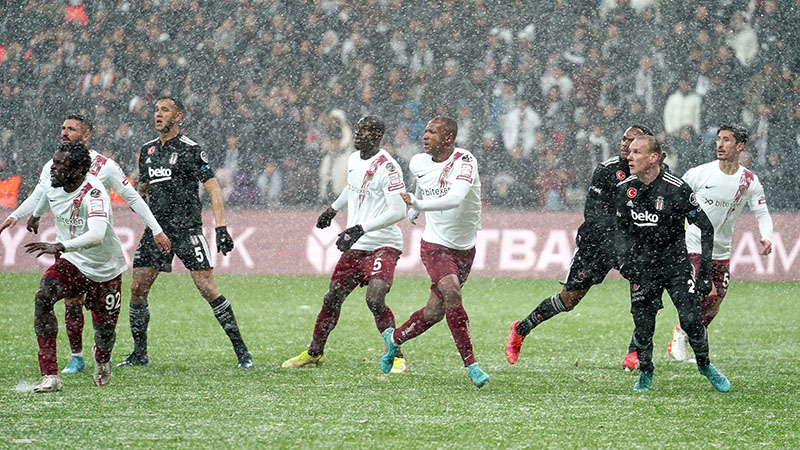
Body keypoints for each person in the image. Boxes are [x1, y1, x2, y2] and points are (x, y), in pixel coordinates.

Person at [0, 114, 170, 375]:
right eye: (63, 128)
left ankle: (101, 354)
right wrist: (19, 216)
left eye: (71, 129)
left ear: (87, 135)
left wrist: (157, 229)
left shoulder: (105, 167)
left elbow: (133, 197)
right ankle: (76, 357)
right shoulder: (53, 165)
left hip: (100, 251)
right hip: (69, 249)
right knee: (69, 301)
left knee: (104, 322)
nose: (64, 132)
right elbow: (41, 194)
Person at [116, 96, 253, 369]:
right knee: (137, 288)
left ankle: (242, 353)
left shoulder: (191, 149)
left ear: (178, 116)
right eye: (156, 110)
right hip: (156, 231)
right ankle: (139, 354)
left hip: (187, 229)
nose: (158, 115)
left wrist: (221, 227)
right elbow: (143, 189)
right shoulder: (147, 151)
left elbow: (213, 188)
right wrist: (137, 201)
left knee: (206, 286)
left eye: (165, 110)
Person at [504, 125, 653, 366]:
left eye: (632, 141)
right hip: (597, 245)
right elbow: (592, 213)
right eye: (624, 139)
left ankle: (635, 351)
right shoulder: (607, 170)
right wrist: (624, 228)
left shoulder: (656, 174)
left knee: (645, 295)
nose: (625, 144)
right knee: (569, 300)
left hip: (631, 248)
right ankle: (521, 329)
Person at [282, 116, 409, 372]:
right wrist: (332, 209)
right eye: (358, 129)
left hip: (383, 243)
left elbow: (398, 211)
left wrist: (360, 228)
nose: (359, 134)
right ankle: (315, 353)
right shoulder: (353, 159)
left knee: (375, 298)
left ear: (378, 135)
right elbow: (353, 189)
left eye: (365, 131)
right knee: (332, 298)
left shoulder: (389, 167)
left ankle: (396, 356)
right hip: (357, 244)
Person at [614, 135, 730, 392]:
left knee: (690, 320)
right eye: (628, 152)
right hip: (643, 270)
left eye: (636, 152)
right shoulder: (625, 189)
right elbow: (620, 231)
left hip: (675, 267)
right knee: (643, 328)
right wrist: (624, 263)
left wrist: (704, 274)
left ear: (653, 158)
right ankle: (646, 370)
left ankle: (705, 364)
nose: (628, 156)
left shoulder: (676, 188)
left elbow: (706, 228)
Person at [381, 116, 489, 388]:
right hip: (435, 245)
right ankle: (472, 365)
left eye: (432, 132)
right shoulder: (418, 162)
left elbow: (454, 199)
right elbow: (421, 184)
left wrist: (418, 203)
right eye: (426, 131)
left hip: (464, 249)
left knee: (434, 312)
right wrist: (416, 206)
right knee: (452, 292)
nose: (425, 135)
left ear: (448, 138)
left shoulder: (465, 162)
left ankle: (394, 339)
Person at [24, 142, 128, 391]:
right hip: (74, 263)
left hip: (105, 267)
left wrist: (60, 246)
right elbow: (44, 197)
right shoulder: (53, 182)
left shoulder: (94, 192)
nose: (54, 168)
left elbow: (97, 236)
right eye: (54, 161)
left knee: (105, 333)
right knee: (43, 296)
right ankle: (50, 375)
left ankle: (102, 361)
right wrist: (36, 216)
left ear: (78, 169)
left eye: (61, 164)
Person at [666, 125, 773, 361]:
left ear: (739, 146)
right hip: (693, 244)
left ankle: (684, 332)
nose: (720, 144)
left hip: (721, 250)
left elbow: (762, 213)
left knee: (714, 306)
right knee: (708, 294)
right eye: (718, 139)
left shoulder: (749, 181)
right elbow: (675, 197)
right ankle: (682, 333)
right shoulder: (700, 173)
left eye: (726, 140)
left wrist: (767, 236)